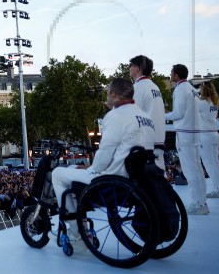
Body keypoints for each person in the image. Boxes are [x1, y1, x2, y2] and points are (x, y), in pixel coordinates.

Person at [52, 78, 156, 214]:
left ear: (113, 95)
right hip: (139, 179)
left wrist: (91, 169)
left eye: (107, 93)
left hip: (114, 181)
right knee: (72, 167)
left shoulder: (114, 116)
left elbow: (104, 156)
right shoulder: (146, 117)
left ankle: (75, 232)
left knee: (57, 174)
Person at [166, 64, 208, 215]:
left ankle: (198, 204)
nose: (170, 75)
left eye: (171, 73)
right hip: (194, 132)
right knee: (197, 169)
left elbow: (178, 113)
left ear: (176, 75)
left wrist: (163, 116)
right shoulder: (191, 88)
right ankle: (202, 202)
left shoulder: (180, 89)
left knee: (191, 171)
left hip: (185, 133)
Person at [129, 55, 167, 169]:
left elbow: (131, 114)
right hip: (158, 138)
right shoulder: (155, 87)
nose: (129, 68)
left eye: (131, 65)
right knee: (159, 177)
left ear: (138, 68)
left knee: (145, 181)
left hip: (145, 141)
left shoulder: (137, 87)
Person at [197, 82, 219, 198]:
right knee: (216, 162)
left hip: (205, 135)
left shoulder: (201, 103)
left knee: (209, 163)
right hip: (214, 134)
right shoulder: (214, 103)